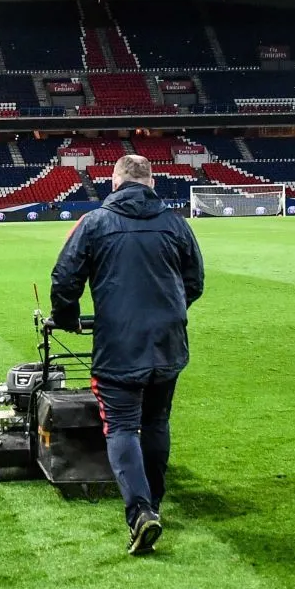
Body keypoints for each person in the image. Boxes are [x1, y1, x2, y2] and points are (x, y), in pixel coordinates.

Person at [50, 154, 204, 555]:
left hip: (119, 344)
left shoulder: (96, 222)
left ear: (114, 183)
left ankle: (140, 512)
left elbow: (65, 279)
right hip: (168, 342)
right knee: (156, 421)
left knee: (121, 426)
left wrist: (65, 318)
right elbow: (195, 282)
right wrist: (168, 312)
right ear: (151, 183)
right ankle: (153, 502)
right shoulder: (175, 223)